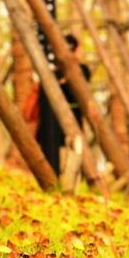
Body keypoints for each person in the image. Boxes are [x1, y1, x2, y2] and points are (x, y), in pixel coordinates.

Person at [36, 33, 91, 174]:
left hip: (70, 118)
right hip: (53, 120)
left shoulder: (81, 71)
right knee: (58, 151)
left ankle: (69, 179)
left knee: (72, 151)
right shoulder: (53, 72)